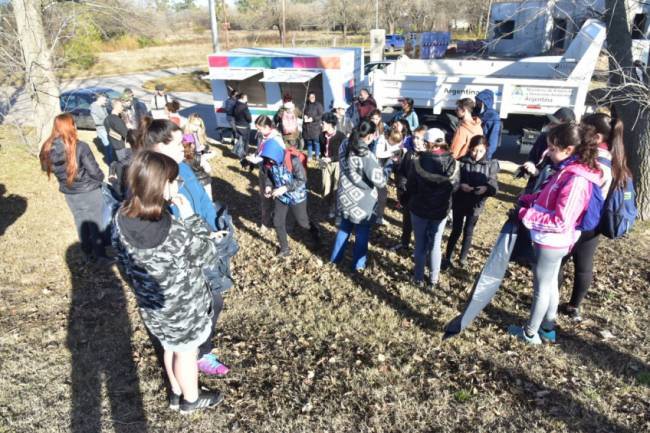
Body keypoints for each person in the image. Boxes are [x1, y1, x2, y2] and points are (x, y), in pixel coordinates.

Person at [112, 150, 225, 414]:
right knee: (186, 352)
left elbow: (122, 261)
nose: (177, 185)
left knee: (169, 346)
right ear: (160, 185)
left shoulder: (121, 216)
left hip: (151, 303)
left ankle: (175, 393)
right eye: (174, 180)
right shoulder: (173, 232)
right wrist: (191, 219)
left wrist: (140, 288)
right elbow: (207, 255)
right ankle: (191, 399)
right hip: (182, 307)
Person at [508, 122, 602, 345]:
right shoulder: (567, 170)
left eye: (551, 148)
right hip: (549, 240)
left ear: (569, 149)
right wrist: (529, 201)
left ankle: (530, 332)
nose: (547, 152)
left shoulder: (577, 179)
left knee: (541, 288)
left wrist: (525, 215)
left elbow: (561, 221)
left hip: (552, 241)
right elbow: (548, 198)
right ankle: (548, 327)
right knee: (550, 284)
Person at [558, 113, 628, 322]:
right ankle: (573, 306)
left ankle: (551, 299)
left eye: (584, 129)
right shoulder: (616, 158)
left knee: (558, 260)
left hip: (579, 218)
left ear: (597, 137)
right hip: (596, 221)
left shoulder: (592, 160)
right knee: (584, 265)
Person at [39, 113, 112, 265]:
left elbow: (45, 167)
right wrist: (99, 180)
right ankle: (100, 256)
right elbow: (95, 172)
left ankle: (87, 251)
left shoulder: (47, 147)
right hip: (89, 191)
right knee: (95, 223)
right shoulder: (80, 147)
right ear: (71, 126)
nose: (76, 125)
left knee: (80, 220)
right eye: (74, 123)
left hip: (70, 193)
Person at [139, 118, 218, 231]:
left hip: (204, 235)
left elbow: (203, 198)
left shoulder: (184, 167)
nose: (183, 148)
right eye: (178, 144)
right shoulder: (149, 180)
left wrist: (215, 227)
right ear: (161, 147)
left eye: (183, 142)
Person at [330, 121, 387, 272]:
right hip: (362, 200)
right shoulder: (366, 155)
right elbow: (380, 181)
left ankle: (335, 259)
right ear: (370, 136)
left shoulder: (345, 143)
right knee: (362, 233)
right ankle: (358, 265)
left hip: (345, 195)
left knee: (344, 228)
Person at [407, 128, 459, 288]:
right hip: (441, 211)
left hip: (419, 209)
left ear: (429, 143)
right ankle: (434, 279)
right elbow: (455, 187)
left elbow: (410, 186)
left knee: (420, 244)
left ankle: (418, 278)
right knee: (435, 244)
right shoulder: (454, 163)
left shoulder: (418, 161)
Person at [443, 135, 499, 269]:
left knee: (468, 231)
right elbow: (452, 179)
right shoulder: (461, 162)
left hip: (476, 204)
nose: (477, 154)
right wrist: (461, 185)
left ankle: (463, 258)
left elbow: (494, 186)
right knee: (456, 230)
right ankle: (448, 256)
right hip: (460, 201)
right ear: (469, 149)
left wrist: (486, 188)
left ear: (486, 149)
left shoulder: (491, 165)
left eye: (480, 151)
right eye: (474, 150)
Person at [260, 137, 320, 257]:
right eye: (268, 160)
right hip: (281, 196)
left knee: (303, 222)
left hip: (296, 195)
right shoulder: (267, 162)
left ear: (277, 153)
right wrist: (268, 186)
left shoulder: (293, 160)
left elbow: (302, 179)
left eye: (272, 159)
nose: (270, 162)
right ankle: (284, 249)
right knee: (277, 221)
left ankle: (316, 237)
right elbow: (269, 177)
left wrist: (285, 188)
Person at [245, 115, 286, 231]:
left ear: (267, 127)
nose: (258, 131)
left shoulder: (276, 138)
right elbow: (261, 151)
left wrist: (261, 159)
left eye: (260, 129)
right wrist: (254, 156)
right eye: (257, 128)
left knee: (277, 199)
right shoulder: (262, 136)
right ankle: (265, 222)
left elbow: (280, 157)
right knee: (265, 199)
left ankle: (280, 223)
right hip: (263, 172)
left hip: (274, 174)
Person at [392, 125, 426, 251]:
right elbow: (402, 172)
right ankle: (404, 243)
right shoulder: (410, 153)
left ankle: (420, 248)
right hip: (408, 194)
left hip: (421, 197)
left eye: (419, 138)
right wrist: (402, 186)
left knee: (420, 225)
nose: (415, 141)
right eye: (414, 138)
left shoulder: (427, 156)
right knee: (407, 221)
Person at [523, 107, 576, 174]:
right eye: (551, 122)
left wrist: (540, 173)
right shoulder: (544, 137)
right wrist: (530, 164)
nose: (549, 125)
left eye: (555, 123)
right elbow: (532, 157)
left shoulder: (571, 144)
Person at [319, 112, 346, 218]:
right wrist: (322, 159)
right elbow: (322, 151)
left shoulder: (341, 136)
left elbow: (343, 153)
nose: (321, 125)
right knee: (325, 186)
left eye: (323, 123)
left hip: (337, 164)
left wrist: (331, 159)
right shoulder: (321, 136)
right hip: (325, 163)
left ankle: (337, 210)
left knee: (336, 187)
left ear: (330, 124)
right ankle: (330, 207)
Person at [374, 129, 403, 225]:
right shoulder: (382, 139)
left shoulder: (396, 145)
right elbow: (378, 154)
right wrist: (391, 153)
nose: (394, 144)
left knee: (382, 197)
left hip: (385, 173)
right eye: (393, 141)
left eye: (396, 143)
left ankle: (379, 217)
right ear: (389, 137)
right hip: (375, 171)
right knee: (374, 196)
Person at [182, 133, 213, 199]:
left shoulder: (180, 159)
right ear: (192, 145)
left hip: (189, 185)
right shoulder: (199, 158)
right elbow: (208, 169)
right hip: (204, 183)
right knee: (208, 200)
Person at [475, 89, 502, 159]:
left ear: (485, 102)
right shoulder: (478, 113)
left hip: (483, 154)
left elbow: (493, 139)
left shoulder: (493, 116)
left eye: (479, 101)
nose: (477, 103)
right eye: (477, 100)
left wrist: (486, 156)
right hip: (474, 151)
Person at [104, 99, 131, 163]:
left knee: (118, 163)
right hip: (121, 146)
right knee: (125, 164)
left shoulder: (106, 119)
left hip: (113, 145)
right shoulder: (116, 120)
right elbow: (126, 134)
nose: (122, 107)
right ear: (116, 106)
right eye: (121, 106)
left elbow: (110, 132)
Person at [89, 92, 113, 164]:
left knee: (111, 143)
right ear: (99, 99)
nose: (105, 101)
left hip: (107, 127)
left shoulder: (103, 106)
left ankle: (112, 158)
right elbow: (97, 121)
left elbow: (106, 116)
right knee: (107, 144)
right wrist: (106, 121)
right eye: (104, 100)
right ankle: (110, 161)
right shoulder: (93, 108)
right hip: (101, 129)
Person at [302, 92, 324, 161]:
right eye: (310, 97)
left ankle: (317, 155)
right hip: (307, 128)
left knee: (316, 142)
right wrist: (304, 116)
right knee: (309, 143)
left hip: (315, 128)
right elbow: (302, 113)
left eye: (313, 97)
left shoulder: (318, 105)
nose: (312, 98)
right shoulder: (306, 105)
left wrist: (313, 118)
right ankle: (310, 156)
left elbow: (321, 115)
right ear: (308, 98)